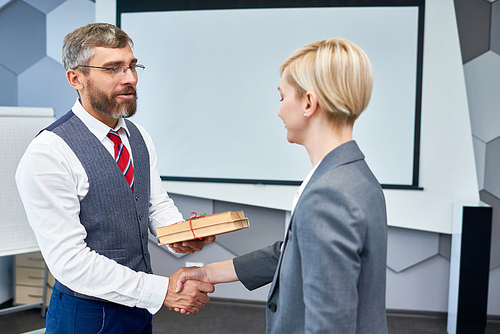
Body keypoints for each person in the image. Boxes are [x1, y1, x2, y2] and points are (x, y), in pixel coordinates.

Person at [175, 38, 389, 333]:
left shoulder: (329, 194)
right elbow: (292, 254)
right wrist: (207, 272)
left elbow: (329, 324)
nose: (279, 111)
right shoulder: (354, 175)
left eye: (282, 98)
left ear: (309, 103)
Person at [15, 23, 215, 334]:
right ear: (75, 78)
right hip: (86, 315)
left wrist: (180, 236)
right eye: (113, 68)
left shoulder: (138, 136)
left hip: (137, 309)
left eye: (132, 66)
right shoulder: (48, 153)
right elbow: (70, 263)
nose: (131, 78)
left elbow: (154, 205)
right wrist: (161, 290)